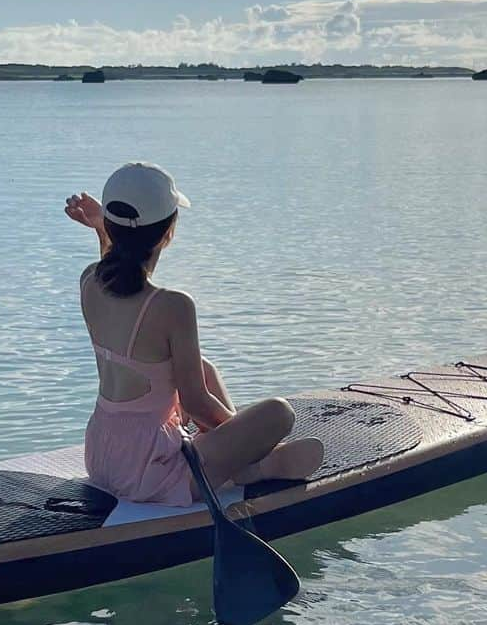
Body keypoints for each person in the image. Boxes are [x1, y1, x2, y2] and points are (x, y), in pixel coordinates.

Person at [65, 161, 323, 506]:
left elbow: (114, 283)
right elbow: (195, 403)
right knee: (279, 413)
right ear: (169, 232)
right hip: (151, 472)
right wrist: (245, 439)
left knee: (201, 367)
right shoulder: (173, 306)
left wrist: (102, 229)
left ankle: (240, 460)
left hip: (102, 456)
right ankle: (252, 466)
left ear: (111, 225)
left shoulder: (88, 280)